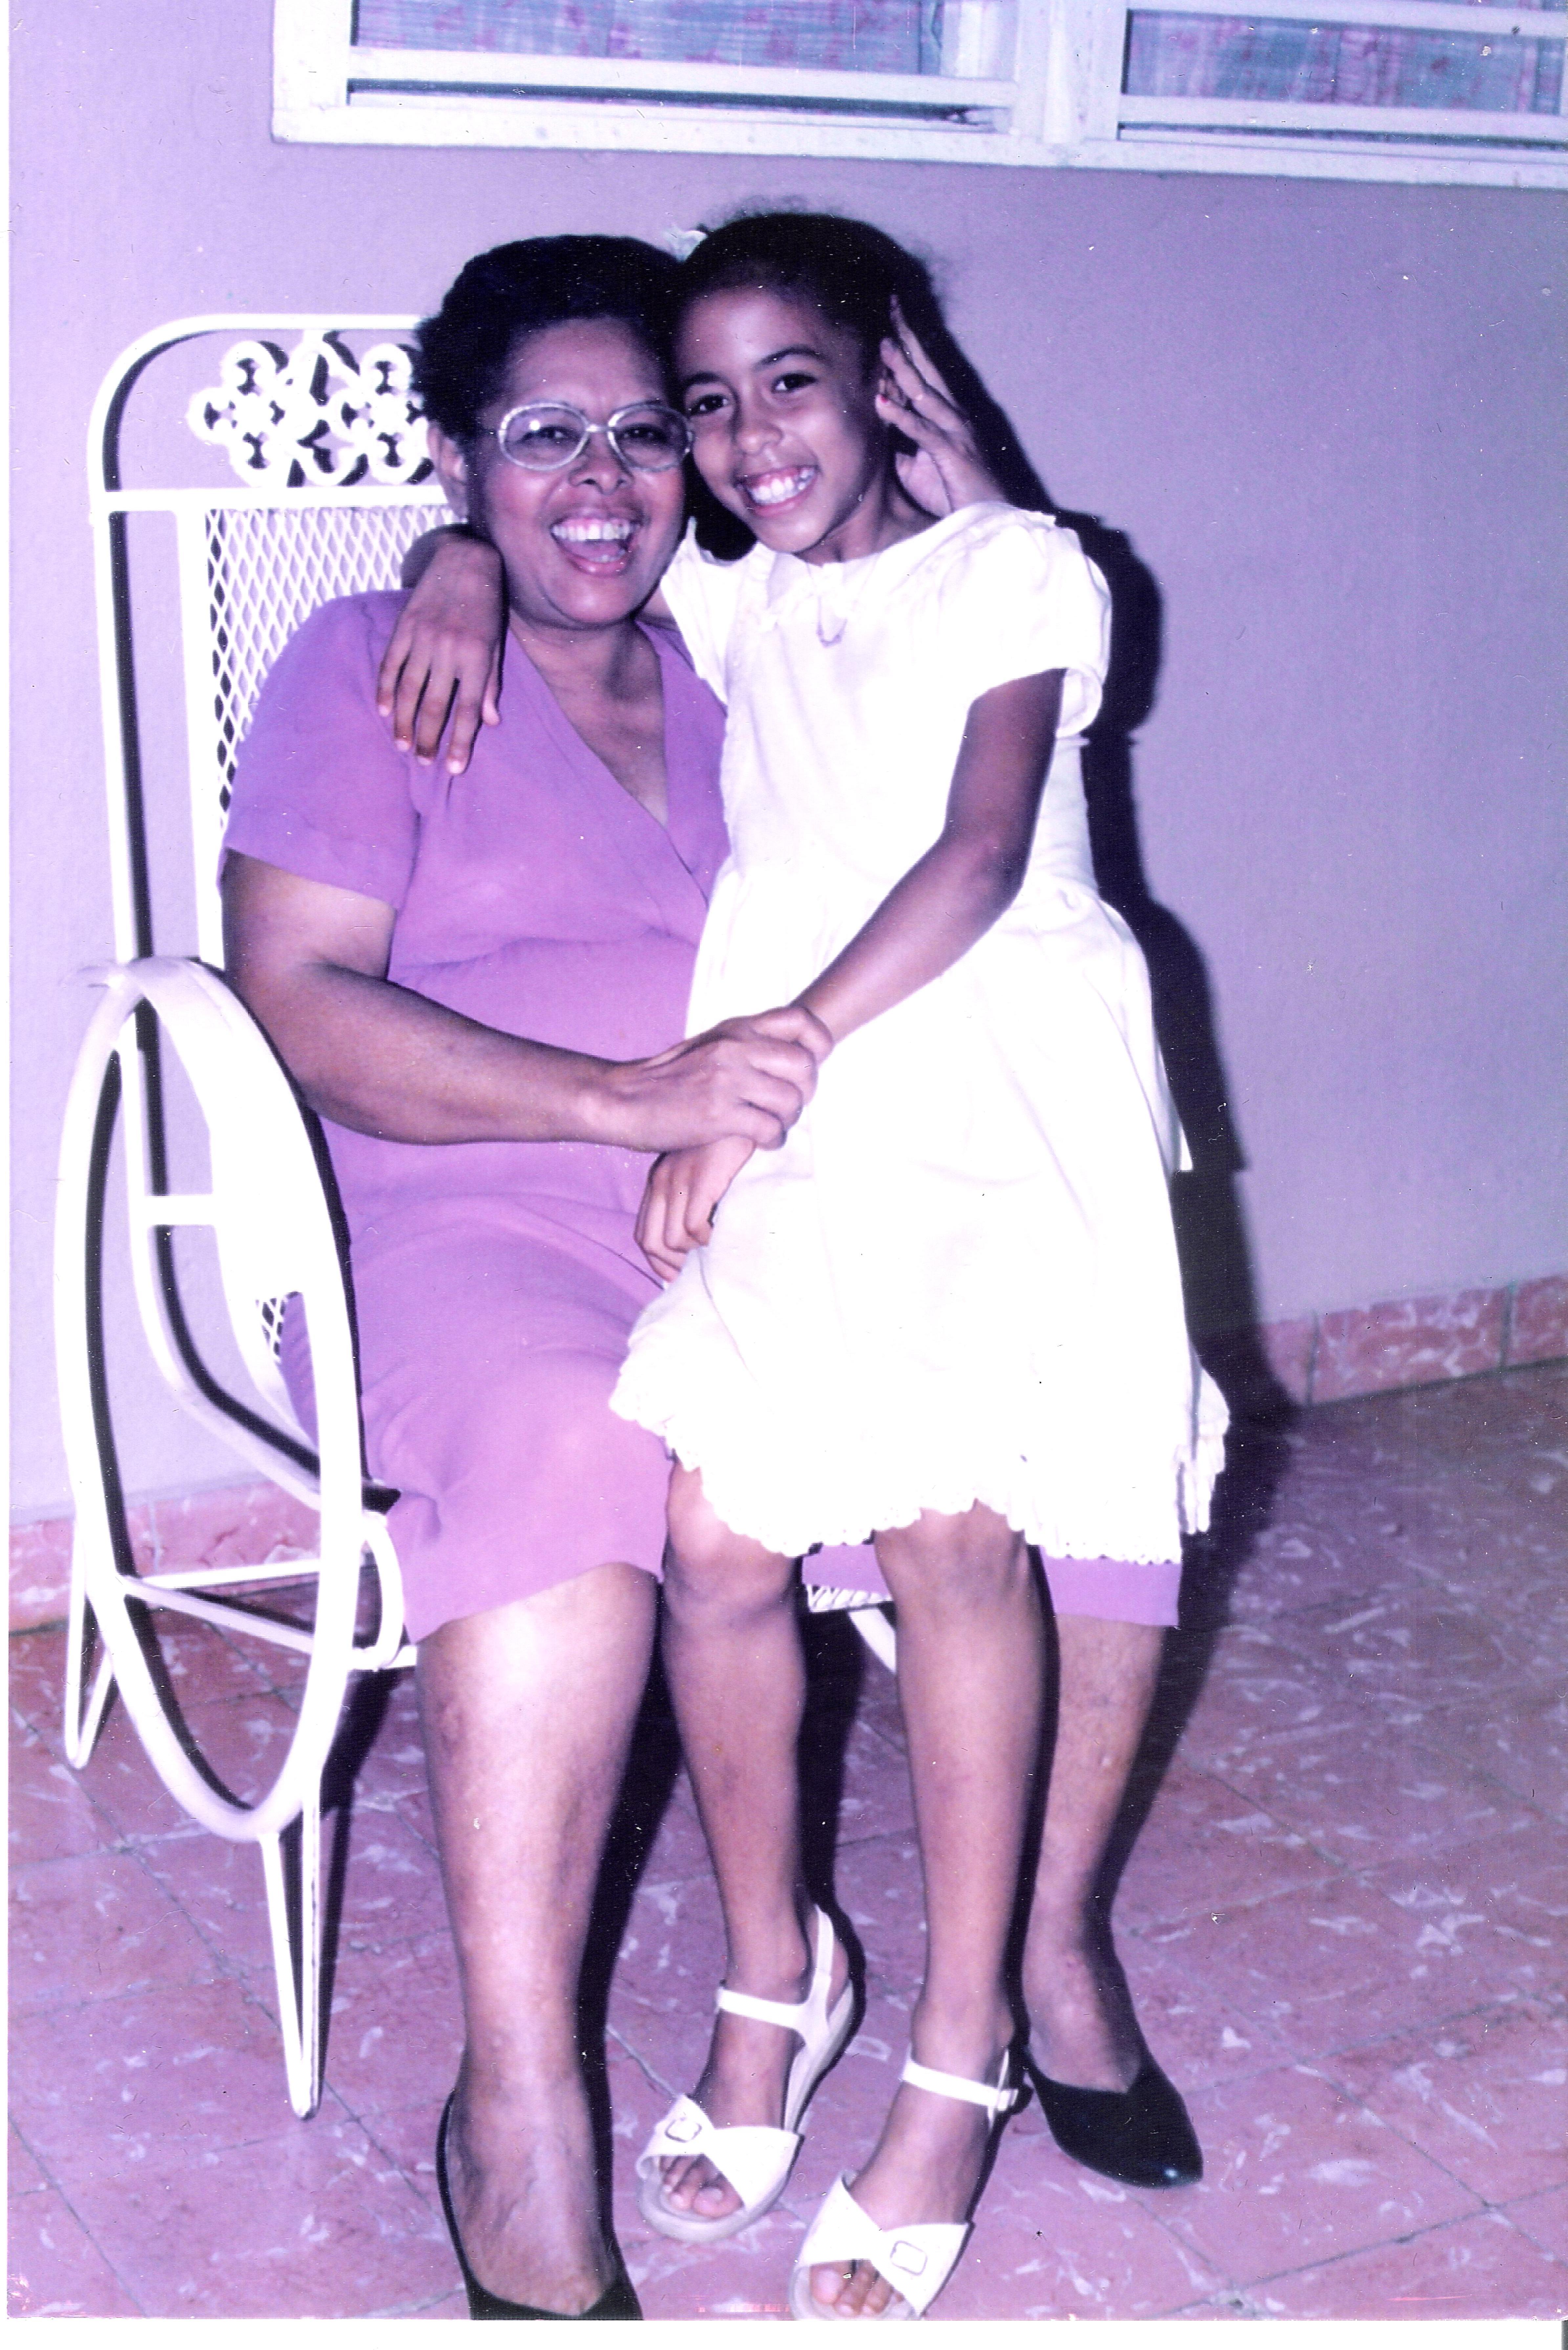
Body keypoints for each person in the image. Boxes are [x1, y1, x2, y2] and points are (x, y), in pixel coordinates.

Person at [391, 212, 1228, 2322]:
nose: (747, 437)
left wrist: (755, 1079)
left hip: (979, 1085)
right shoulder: (736, 600)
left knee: (950, 1526)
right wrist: (455, 553)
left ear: (886, 378)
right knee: (715, 1532)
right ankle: (776, 1972)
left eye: (793, 381)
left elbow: (977, 851)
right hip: (806, 1102)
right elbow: (562, 543)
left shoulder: (1026, 569)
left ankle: (959, 2053)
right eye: (709, 402)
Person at [219, 235, 839, 2321]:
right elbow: (298, 996)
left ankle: (998, 1991)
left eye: (645, 431)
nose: (601, 482)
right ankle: (520, 2100)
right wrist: (617, 1102)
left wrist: (713, 1127)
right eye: (541, 437)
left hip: (756, 1195)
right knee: (576, 1455)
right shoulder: (369, 663)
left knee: (1019, 1381)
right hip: (458, 1205)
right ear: (456, 458)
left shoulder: (755, 655)